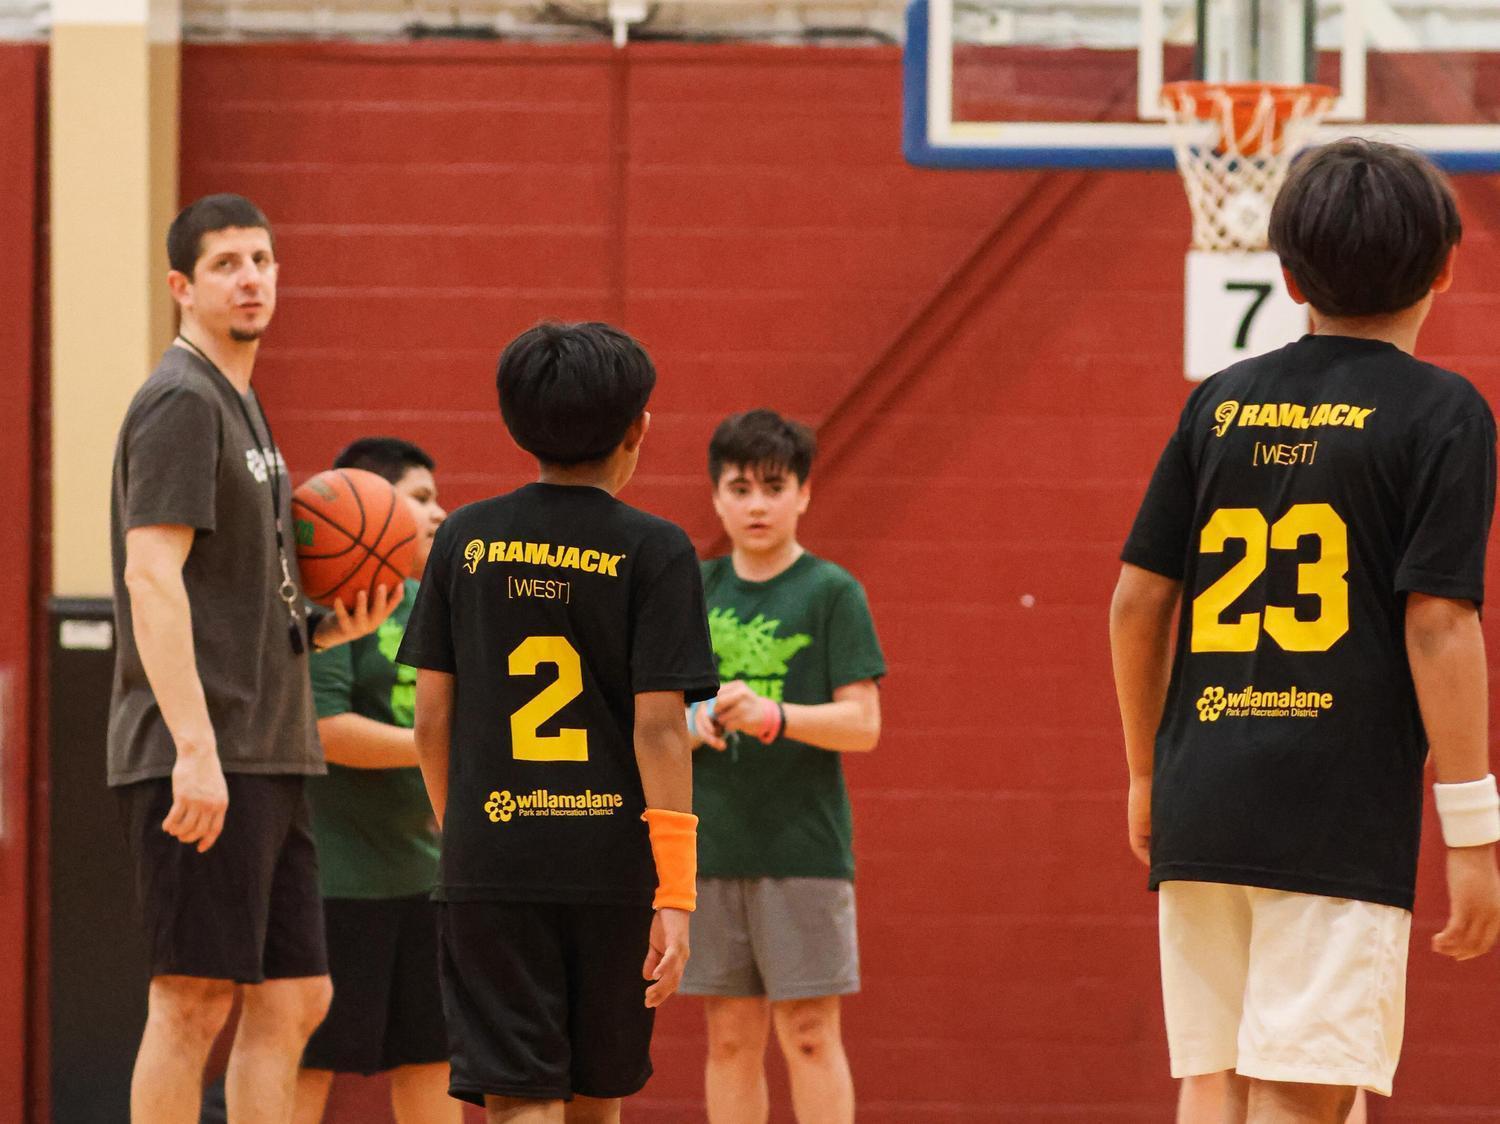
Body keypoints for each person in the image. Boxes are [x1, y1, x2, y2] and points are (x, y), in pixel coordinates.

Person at [1109, 138, 1500, 1124]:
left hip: (1202, 793)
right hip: (1331, 804)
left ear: (1284, 276)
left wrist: (1148, 769)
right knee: (1301, 1092)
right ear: (1448, 263)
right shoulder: (1444, 411)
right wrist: (1474, 830)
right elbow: (1440, 619)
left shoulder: (1221, 401)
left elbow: (1136, 601)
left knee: (1218, 1076)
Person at [109, 193, 399, 1124]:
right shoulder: (180, 401)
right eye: (229, 263)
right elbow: (150, 574)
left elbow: (234, 595)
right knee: (190, 998)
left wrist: (321, 633)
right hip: (205, 751)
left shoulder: (240, 399)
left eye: (264, 260)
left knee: (294, 996)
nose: (252, 278)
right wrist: (193, 747)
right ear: (182, 288)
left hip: (269, 748)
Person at [396, 320, 719, 1123]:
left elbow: (430, 716)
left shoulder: (463, 540)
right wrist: (675, 889)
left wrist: (464, 829)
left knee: (516, 1099)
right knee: (594, 1096)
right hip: (611, 864)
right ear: (637, 428)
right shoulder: (659, 550)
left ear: (516, 422)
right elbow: (660, 730)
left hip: (492, 853)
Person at [681, 409, 885, 1124]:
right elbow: (641, 717)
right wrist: (688, 722)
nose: (757, 504)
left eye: (774, 486)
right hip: (710, 848)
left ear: (804, 493)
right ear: (716, 497)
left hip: (804, 849)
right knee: (731, 1041)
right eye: (740, 488)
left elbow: (864, 725)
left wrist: (775, 716)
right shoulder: (692, 590)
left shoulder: (832, 593)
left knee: (807, 1035)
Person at [292, 437, 455, 1124]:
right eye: (420, 499)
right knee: (308, 1063)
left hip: (429, 876)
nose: (440, 513)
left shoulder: (437, 602)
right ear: (374, 511)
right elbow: (325, 731)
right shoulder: (335, 609)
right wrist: (439, 748)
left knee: (434, 1062)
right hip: (339, 882)